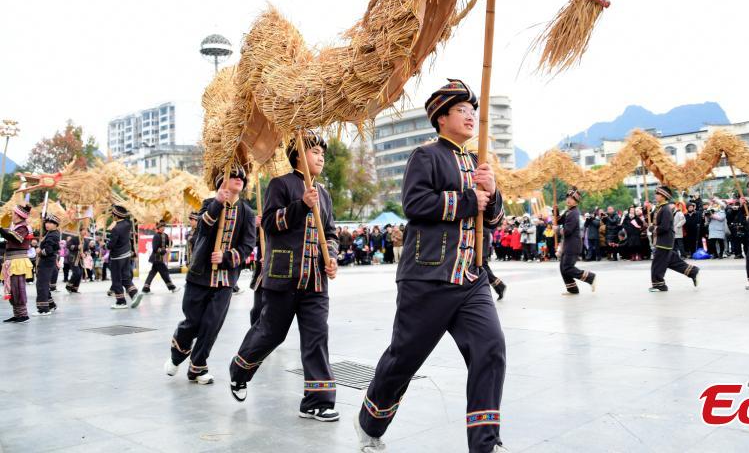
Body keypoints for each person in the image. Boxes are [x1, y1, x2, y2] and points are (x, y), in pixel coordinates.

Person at [355, 79, 508, 453]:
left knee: (491, 348)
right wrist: (472, 197)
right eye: (462, 110)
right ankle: (370, 420)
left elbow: (493, 220)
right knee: (403, 358)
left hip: (471, 278)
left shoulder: (478, 162)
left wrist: (493, 191)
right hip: (429, 276)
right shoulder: (426, 156)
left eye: (473, 110)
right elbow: (416, 204)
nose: (471, 115)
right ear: (441, 118)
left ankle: (485, 444)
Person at [230, 131, 340, 419]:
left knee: (317, 338)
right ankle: (240, 369)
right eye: (314, 151)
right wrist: (301, 205)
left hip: (316, 281)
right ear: (299, 156)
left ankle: (318, 400)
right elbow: (269, 223)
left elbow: (331, 234)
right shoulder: (281, 185)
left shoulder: (325, 195)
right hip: (283, 277)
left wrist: (332, 257)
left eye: (322, 153)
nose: (320, 157)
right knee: (271, 333)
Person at [166, 167, 255, 384]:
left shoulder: (247, 212)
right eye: (233, 176)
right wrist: (217, 203)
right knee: (193, 322)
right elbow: (203, 230)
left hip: (225, 280)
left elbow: (247, 245)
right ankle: (178, 354)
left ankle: (197, 367)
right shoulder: (208, 204)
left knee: (212, 324)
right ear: (221, 182)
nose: (239, 180)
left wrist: (225, 257)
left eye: (241, 177)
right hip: (200, 275)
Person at [649, 186, 699, 292]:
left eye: (657, 194)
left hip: (664, 241)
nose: (655, 195)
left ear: (663, 196)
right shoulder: (660, 207)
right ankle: (692, 271)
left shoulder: (666, 209)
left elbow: (665, 227)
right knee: (672, 262)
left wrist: (653, 228)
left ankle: (659, 285)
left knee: (658, 263)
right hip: (661, 241)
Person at [556, 189, 597, 294]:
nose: (568, 200)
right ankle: (572, 289)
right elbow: (559, 220)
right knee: (563, 267)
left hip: (573, 245)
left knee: (567, 268)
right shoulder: (569, 211)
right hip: (568, 244)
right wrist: (555, 212)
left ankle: (590, 277)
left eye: (571, 198)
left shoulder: (574, 213)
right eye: (568, 198)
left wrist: (557, 230)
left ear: (576, 201)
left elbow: (568, 230)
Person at [1, 204, 34, 323]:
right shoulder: (16, 227)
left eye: (14, 214)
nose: (12, 216)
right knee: (12, 288)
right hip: (11, 261)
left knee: (18, 287)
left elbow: (14, 238)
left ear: (19, 215)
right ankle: (18, 314)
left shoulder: (23, 228)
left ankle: (23, 315)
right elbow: (8, 240)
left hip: (18, 262)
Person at [108, 205, 143, 310]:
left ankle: (121, 302)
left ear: (116, 216)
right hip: (126, 255)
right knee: (125, 277)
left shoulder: (116, 228)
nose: (112, 216)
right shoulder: (128, 224)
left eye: (113, 214)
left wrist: (106, 244)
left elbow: (111, 245)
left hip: (117, 257)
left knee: (116, 280)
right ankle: (134, 294)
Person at [36, 213, 62, 316]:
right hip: (47, 262)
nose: (47, 224)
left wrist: (39, 251)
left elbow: (48, 251)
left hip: (47, 262)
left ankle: (43, 309)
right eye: (47, 222)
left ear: (56, 225)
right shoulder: (50, 233)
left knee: (41, 284)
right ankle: (51, 304)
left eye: (51, 222)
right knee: (44, 283)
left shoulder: (53, 235)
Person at [143, 221, 179, 294]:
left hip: (160, 258)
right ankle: (172, 287)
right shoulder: (156, 236)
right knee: (164, 272)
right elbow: (155, 248)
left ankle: (145, 288)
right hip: (156, 258)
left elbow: (169, 244)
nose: (163, 228)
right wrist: (164, 250)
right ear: (158, 228)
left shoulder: (165, 235)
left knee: (152, 273)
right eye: (161, 227)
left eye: (164, 227)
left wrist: (170, 240)